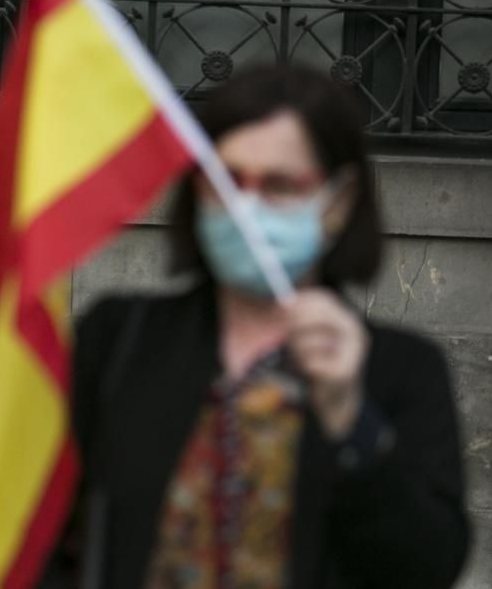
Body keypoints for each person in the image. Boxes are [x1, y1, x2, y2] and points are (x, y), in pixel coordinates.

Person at [46, 65, 469, 588]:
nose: (246, 208)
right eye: (227, 181)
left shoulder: (399, 370)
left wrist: (352, 422)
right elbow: (47, 534)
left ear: (338, 200)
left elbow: (426, 567)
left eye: (279, 185)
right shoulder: (120, 338)